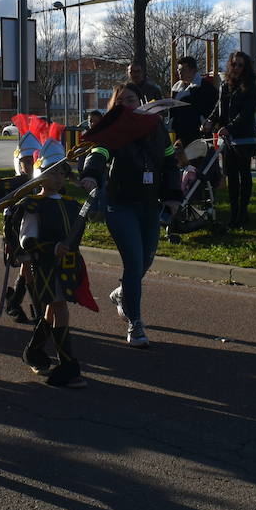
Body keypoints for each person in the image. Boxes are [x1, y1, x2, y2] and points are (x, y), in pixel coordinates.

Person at [81, 86, 182, 347]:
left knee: (146, 260)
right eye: (121, 101)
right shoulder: (114, 129)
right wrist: (91, 174)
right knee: (134, 264)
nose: (127, 104)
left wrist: (172, 196)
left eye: (132, 99)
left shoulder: (156, 126)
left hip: (150, 206)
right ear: (115, 106)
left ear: (142, 102)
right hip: (121, 205)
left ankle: (122, 293)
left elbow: (170, 162)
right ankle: (135, 324)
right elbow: (99, 152)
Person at [18, 139, 91, 388]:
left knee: (53, 310)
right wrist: (51, 248)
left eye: (61, 172)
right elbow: (27, 239)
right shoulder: (33, 204)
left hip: (68, 266)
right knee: (59, 309)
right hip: (46, 268)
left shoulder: (71, 205)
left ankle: (33, 352)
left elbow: (76, 236)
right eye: (52, 172)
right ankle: (68, 366)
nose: (58, 177)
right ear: (40, 173)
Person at [0, 132, 40, 325]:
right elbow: (7, 214)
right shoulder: (13, 185)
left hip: (37, 232)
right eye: (25, 161)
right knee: (28, 267)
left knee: (28, 267)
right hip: (18, 234)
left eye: (32, 161)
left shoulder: (41, 181)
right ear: (19, 163)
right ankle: (37, 309)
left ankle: (13, 301)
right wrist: (8, 241)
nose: (29, 165)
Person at [211, 51, 256, 230]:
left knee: (244, 175)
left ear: (245, 67)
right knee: (231, 176)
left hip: (244, 136)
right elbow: (219, 107)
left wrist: (229, 127)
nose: (237, 68)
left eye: (240, 65)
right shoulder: (225, 84)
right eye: (234, 64)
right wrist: (211, 121)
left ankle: (243, 213)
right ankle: (234, 214)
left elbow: (246, 113)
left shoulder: (250, 86)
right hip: (228, 137)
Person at [170, 56, 217, 151]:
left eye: (183, 70)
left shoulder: (205, 87)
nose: (180, 73)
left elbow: (214, 107)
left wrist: (206, 122)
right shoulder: (176, 87)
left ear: (193, 70)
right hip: (180, 134)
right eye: (179, 70)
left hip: (199, 133)